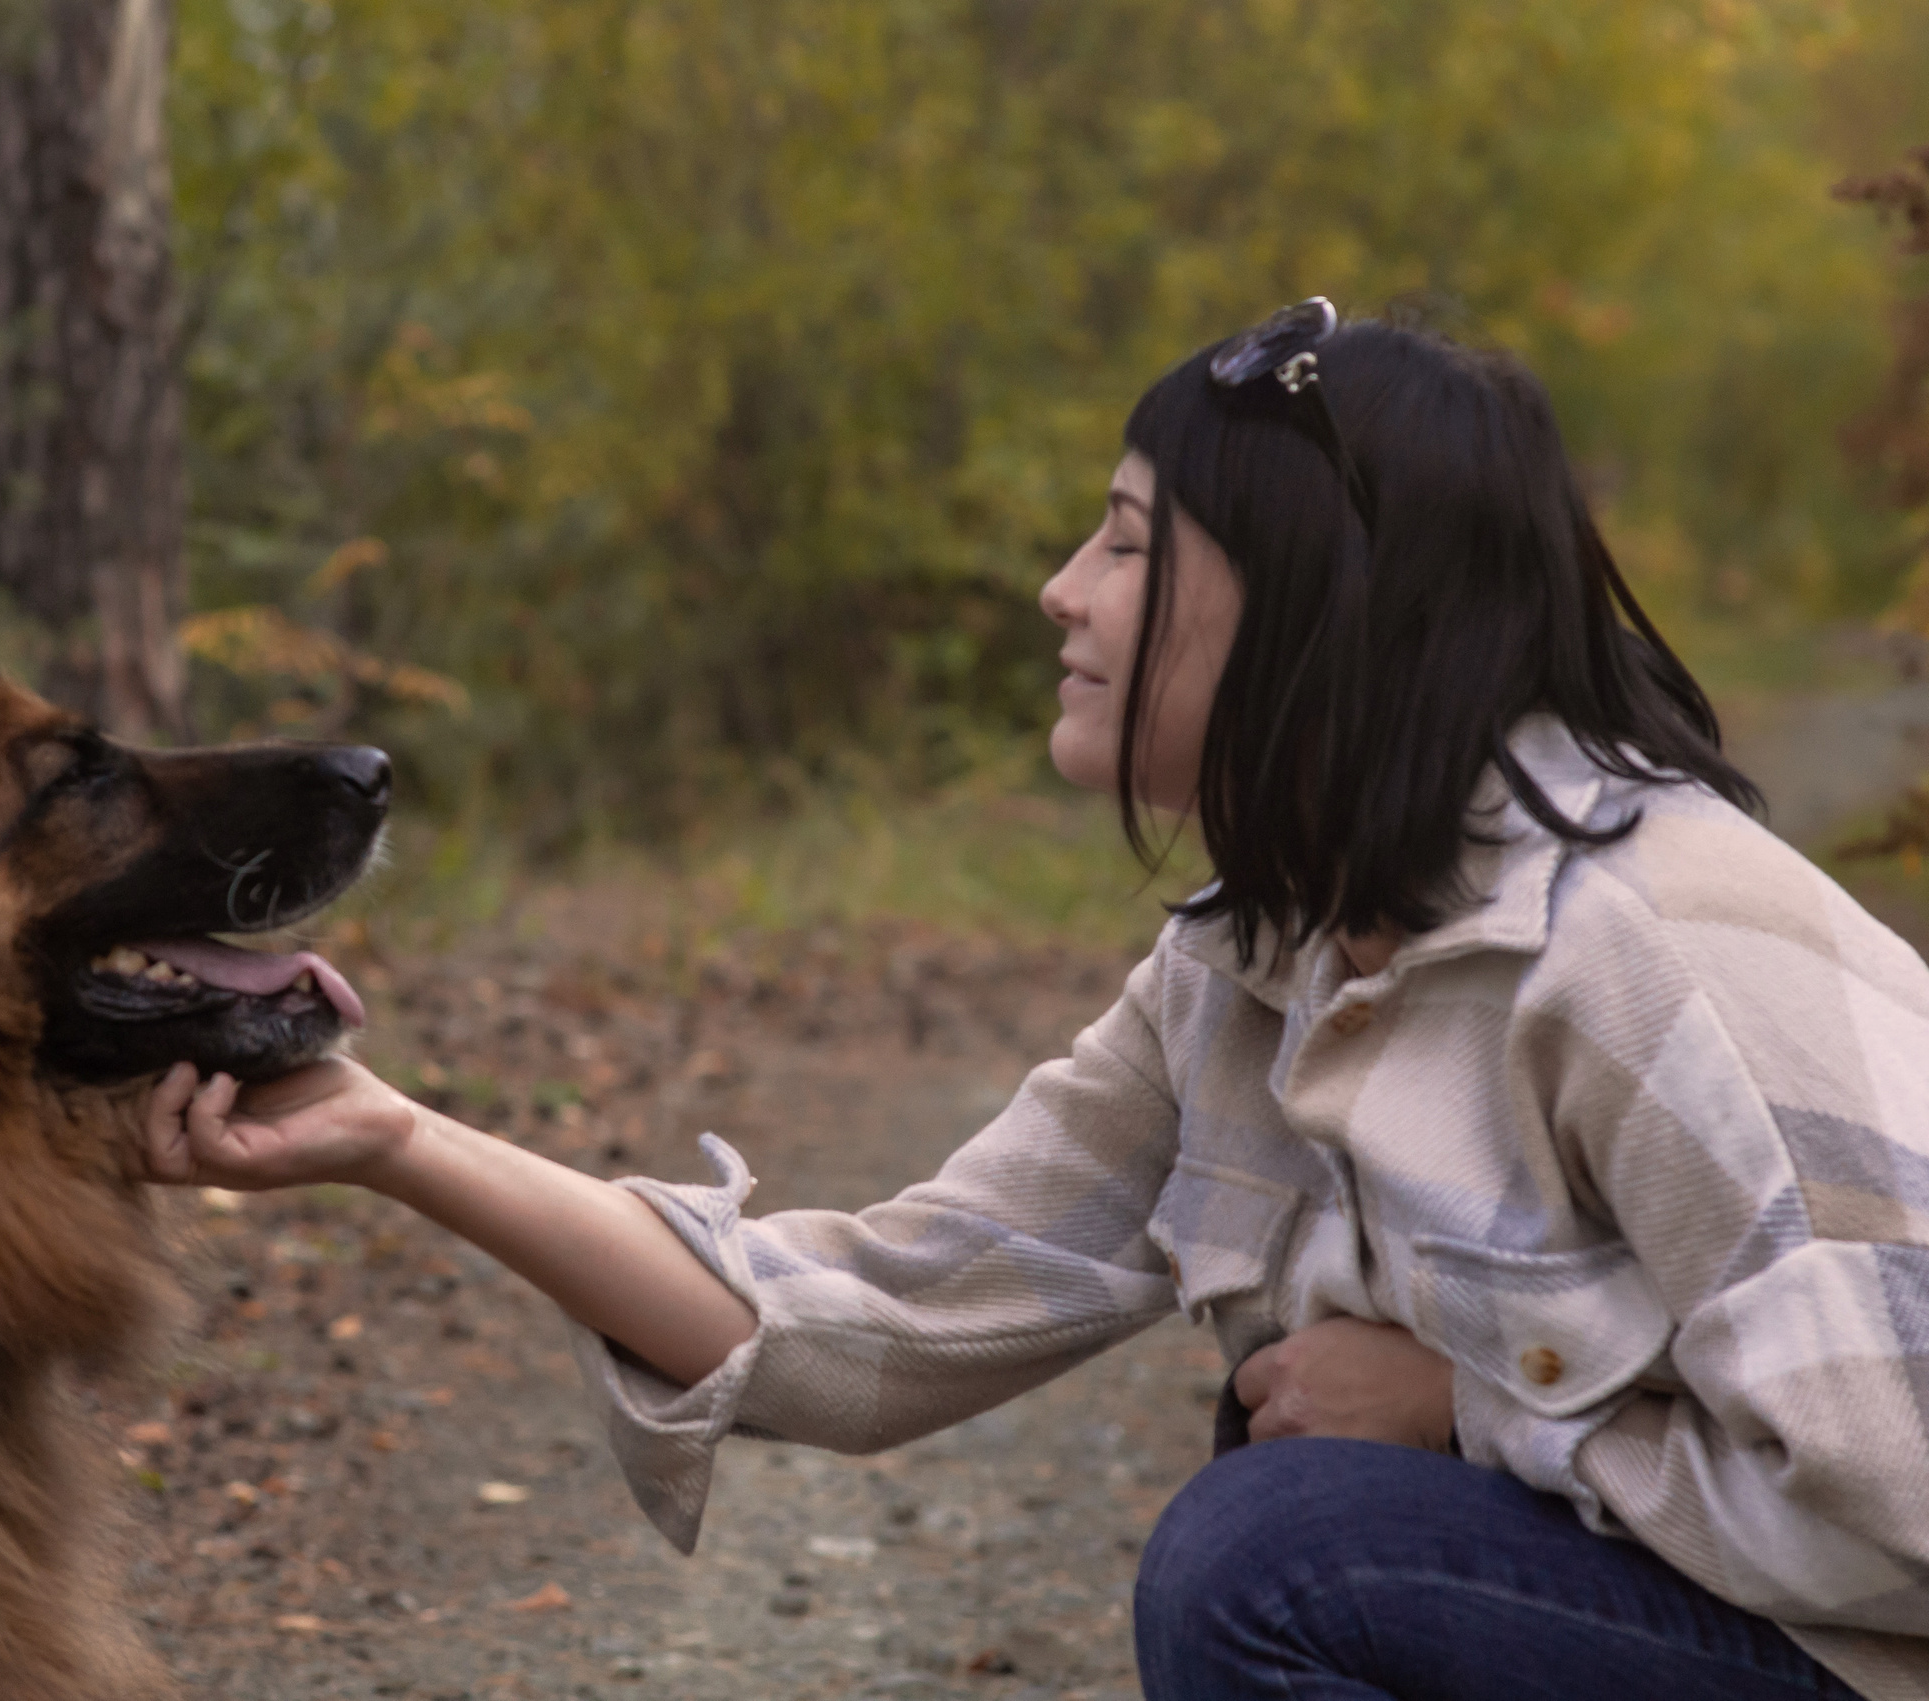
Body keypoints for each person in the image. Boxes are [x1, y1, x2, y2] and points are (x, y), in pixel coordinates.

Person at [140, 302, 1929, 1700]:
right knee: (1291, 1522)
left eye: (1133, 544)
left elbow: (1906, 1505)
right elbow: (871, 1319)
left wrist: (1481, 1415)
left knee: (1288, 1552)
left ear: (1320, 596)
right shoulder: (1258, 965)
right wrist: (387, 1138)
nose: (1063, 594)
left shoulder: (1654, 949)